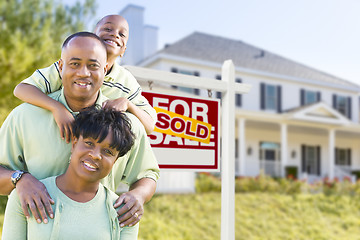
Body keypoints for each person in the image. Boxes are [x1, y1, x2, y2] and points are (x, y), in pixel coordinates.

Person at [0, 32, 159, 228]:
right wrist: (20, 179)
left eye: (93, 65)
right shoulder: (24, 116)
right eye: (74, 64)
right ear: (61, 66)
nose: (84, 73)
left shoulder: (127, 125)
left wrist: (138, 195)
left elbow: (148, 174)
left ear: (106, 68)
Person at [2, 107, 139, 240]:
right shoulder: (27, 196)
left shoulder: (124, 211)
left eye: (108, 152)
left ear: (115, 161)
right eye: (89, 143)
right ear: (74, 144)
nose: (96, 155)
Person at [13, 14, 156, 140]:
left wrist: (128, 104)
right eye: (107, 29)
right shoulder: (69, 67)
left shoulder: (126, 81)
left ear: (123, 50)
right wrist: (57, 108)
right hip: (55, 135)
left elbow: (149, 126)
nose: (115, 35)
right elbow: (21, 89)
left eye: (122, 34)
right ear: (93, 36)